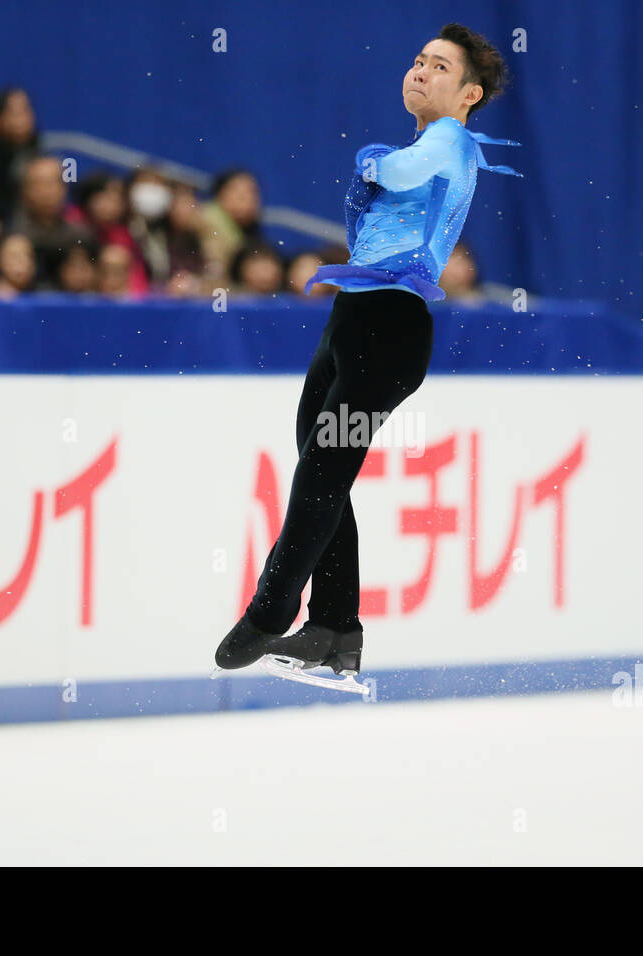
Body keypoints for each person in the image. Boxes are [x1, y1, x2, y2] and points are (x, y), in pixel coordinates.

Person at [215, 22, 520, 678]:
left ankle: (271, 611)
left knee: (322, 470)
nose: (420, 71)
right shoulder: (428, 143)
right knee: (321, 464)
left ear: (468, 94)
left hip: (391, 328)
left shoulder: (452, 142)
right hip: (352, 318)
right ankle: (333, 627)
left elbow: (405, 166)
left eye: (438, 66)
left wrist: (372, 163)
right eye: (416, 60)